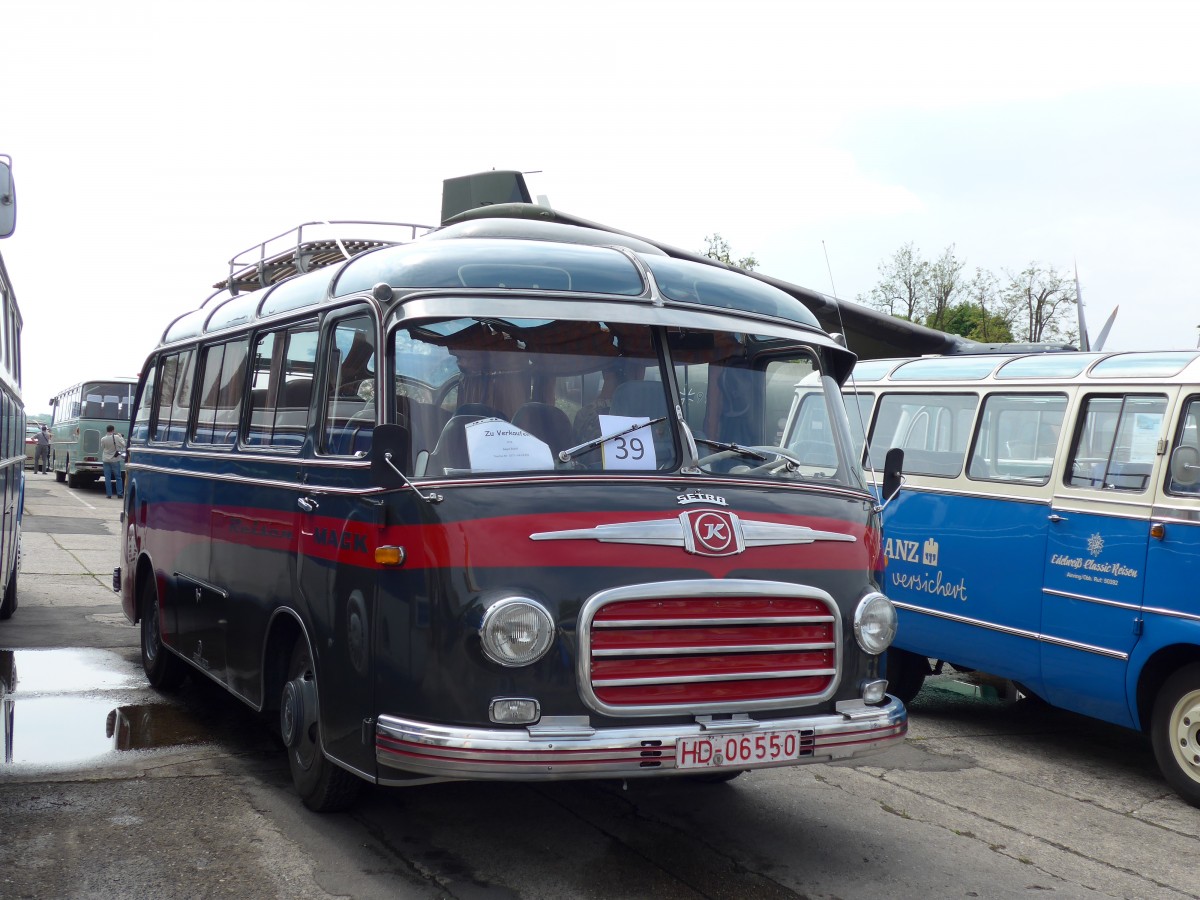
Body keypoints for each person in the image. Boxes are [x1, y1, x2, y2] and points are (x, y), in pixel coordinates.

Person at [100, 424, 126, 500]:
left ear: (107, 430)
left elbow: (103, 447)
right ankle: (119, 494)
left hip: (105, 459)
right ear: (113, 430)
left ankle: (109, 494)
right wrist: (121, 437)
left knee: (107, 477)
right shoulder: (117, 437)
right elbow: (123, 445)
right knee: (118, 477)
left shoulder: (103, 439)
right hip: (115, 459)